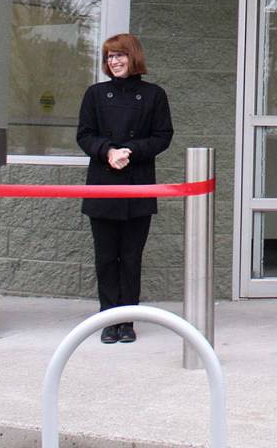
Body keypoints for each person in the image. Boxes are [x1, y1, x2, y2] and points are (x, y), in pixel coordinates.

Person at [77, 33, 173, 344]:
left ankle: (127, 320)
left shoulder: (154, 95)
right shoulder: (95, 94)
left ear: (134, 58)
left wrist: (128, 151)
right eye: (109, 57)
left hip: (137, 184)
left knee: (131, 257)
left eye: (119, 55)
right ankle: (108, 318)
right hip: (103, 186)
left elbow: (162, 136)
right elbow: (85, 134)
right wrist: (107, 151)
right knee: (105, 257)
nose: (114, 61)